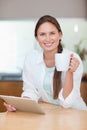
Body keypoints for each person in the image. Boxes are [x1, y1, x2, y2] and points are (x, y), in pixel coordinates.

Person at [4, 15, 87, 111]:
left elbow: (67, 103)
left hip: (76, 113)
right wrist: (20, 105)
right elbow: (30, 91)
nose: (48, 39)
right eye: (42, 34)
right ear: (36, 38)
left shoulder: (73, 59)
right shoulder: (31, 59)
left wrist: (70, 72)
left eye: (52, 33)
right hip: (51, 112)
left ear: (60, 35)